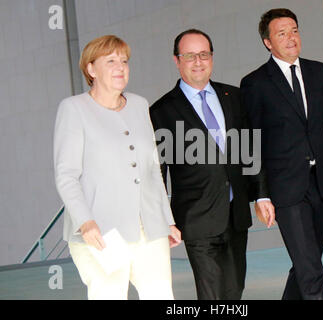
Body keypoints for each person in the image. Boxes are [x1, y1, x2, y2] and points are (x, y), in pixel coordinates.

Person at [240, 9, 323, 300]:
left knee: (306, 262)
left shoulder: (319, 72)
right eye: (281, 33)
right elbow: (251, 142)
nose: (291, 38)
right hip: (285, 188)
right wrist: (260, 195)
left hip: (320, 183)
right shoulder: (255, 83)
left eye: (294, 30)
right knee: (311, 270)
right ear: (267, 42)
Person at [53, 35, 181, 300]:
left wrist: (167, 220)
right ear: (91, 69)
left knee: (161, 296)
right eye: (110, 61)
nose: (120, 67)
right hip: (101, 231)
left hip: (150, 227)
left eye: (124, 61)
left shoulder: (139, 104)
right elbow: (66, 175)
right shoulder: (73, 109)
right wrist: (85, 222)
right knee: (109, 295)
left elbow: (152, 169)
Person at [150, 29, 274, 300]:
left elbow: (249, 149)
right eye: (190, 55)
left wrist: (261, 194)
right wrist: (163, 219)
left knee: (234, 291)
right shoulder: (161, 111)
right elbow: (158, 172)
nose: (198, 61)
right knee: (212, 295)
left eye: (204, 54)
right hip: (196, 218)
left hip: (236, 213)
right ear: (176, 60)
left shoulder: (234, 96)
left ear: (212, 58)